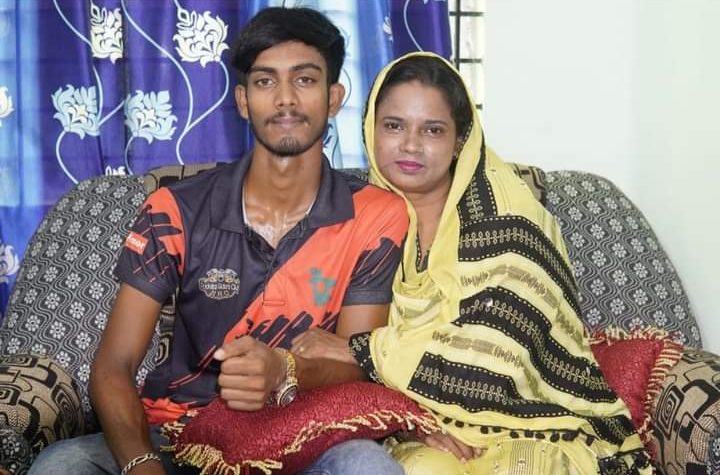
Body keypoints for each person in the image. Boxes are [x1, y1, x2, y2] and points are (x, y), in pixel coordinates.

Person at [29, 8, 407, 475]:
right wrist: (142, 464)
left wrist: (283, 369)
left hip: (308, 432)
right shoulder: (175, 210)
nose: (286, 99)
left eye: (305, 80)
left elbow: (355, 363)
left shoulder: (375, 214)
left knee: (367, 466)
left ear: (333, 98)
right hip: (180, 432)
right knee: (62, 465)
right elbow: (114, 365)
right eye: (265, 82)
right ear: (243, 101)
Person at [295, 52, 653, 474]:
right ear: (369, 128)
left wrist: (361, 351)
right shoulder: (356, 221)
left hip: (531, 424)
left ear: (460, 139)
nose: (410, 144)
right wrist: (407, 421)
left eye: (432, 130)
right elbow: (320, 353)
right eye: (393, 126)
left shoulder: (507, 223)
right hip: (417, 422)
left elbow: (499, 360)